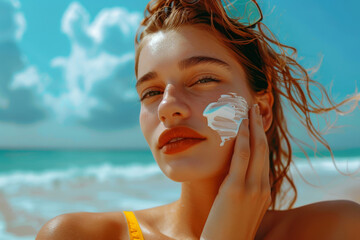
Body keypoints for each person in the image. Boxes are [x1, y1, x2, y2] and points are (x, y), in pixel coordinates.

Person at [36, 0, 360, 239]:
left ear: (260, 111)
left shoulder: (337, 228)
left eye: (203, 79)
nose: (167, 107)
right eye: (150, 92)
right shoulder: (76, 236)